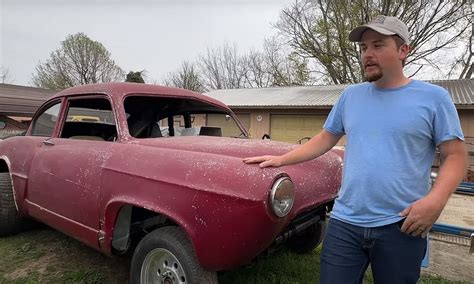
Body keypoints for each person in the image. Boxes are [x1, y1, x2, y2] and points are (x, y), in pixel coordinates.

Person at [243, 15, 467, 283]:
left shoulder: (434, 98)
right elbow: (326, 137)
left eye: (378, 45)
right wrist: (282, 159)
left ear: (403, 50)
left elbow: (455, 155)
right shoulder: (351, 96)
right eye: (363, 48)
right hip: (345, 222)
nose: (367, 55)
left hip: (401, 225)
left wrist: (435, 201)